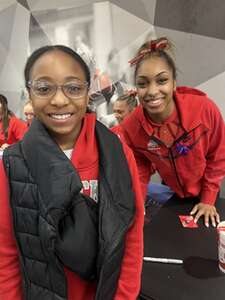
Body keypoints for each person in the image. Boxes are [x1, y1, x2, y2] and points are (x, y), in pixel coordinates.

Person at [0, 45, 144, 300]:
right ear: (29, 94)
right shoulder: (11, 164)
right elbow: (7, 254)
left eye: (74, 87)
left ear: (88, 91)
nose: (59, 100)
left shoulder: (117, 154)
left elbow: (131, 237)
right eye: (44, 88)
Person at [118, 37, 225, 227]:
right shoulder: (132, 127)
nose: (152, 91)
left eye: (162, 80)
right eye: (143, 84)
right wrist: (138, 204)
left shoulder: (204, 109)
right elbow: (140, 168)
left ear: (174, 83)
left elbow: (218, 155)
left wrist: (208, 199)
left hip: (213, 188)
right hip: (176, 194)